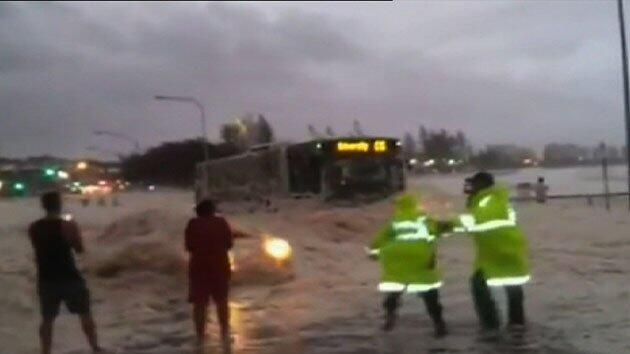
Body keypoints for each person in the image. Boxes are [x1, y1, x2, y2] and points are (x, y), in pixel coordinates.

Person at [454, 172, 530, 336]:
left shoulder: (486, 201)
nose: (470, 188)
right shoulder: (499, 199)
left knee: (478, 284)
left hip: (495, 252)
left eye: (474, 184)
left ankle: (491, 324)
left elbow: (476, 221)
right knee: (513, 284)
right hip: (510, 249)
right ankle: (517, 323)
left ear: (482, 184)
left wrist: (446, 224)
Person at [28, 191, 102, 354]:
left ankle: (45, 351)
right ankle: (95, 348)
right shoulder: (67, 225)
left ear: (43, 206)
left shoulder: (34, 227)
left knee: (47, 319)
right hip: (69, 276)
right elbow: (79, 249)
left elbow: (39, 248)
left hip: (46, 278)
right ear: (59, 205)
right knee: (85, 314)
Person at [367, 194, 449, 337]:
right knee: (430, 296)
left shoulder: (394, 223)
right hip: (421, 262)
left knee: (393, 292)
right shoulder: (425, 221)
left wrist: (373, 254)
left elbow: (376, 243)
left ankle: (389, 318)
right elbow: (440, 231)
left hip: (398, 264)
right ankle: (439, 324)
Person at [185, 199, 233, 347]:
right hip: (219, 266)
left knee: (199, 304)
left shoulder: (192, 224)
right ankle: (224, 334)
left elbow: (189, 246)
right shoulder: (221, 223)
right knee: (222, 301)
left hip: (199, 268)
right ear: (212, 210)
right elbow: (229, 244)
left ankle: (200, 337)